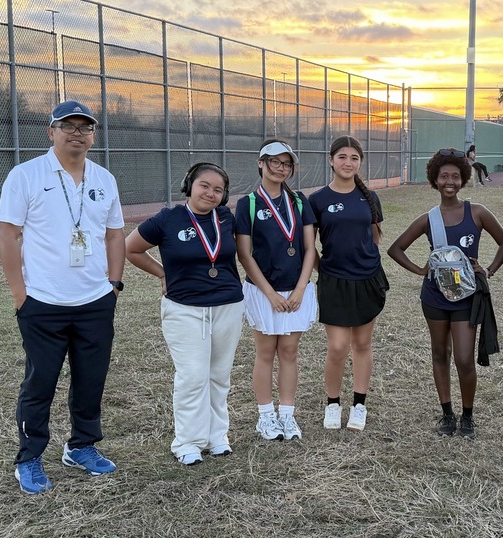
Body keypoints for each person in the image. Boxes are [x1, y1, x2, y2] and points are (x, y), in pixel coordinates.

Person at [0, 100, 123, 494]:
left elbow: (115, 233)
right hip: (43, 303)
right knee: (40, 383)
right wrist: (21, 294)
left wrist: (113, 285)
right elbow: (7, 234)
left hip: (94, 302)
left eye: (85, 127)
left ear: (93, 135)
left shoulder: (104, 178)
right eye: (67, 125)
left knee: (91, 381)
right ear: (50, 132)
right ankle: (30, 457)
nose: (77, 133)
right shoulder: (26, 175)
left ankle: (81, 446)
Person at [124, 163, 244, 466]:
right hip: (185, 308)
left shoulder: (226, 218)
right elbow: (131, 249)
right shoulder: (168, 219)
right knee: (192, 376)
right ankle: (188, 441)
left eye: (218, 190)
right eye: (204, 185)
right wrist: (162, 273)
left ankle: (218, 436)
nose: (211, 193)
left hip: (228, 305)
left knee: (219, 376)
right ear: (189, 186)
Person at [388, 147, 503, 438]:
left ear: (463, 179)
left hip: (466, 297)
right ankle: (447, 414)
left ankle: (467, 416)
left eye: (455, 176)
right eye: (444, 176)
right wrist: (420, 270)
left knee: (464, 359)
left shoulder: (477, 212)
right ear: (435, 180)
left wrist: (488, 270)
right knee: (440, 352)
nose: (450, 181)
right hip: (434, 296)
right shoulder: (429, 218)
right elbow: (395, 249)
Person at [235, 139, 317, 442]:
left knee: (290, 352)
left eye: (286, 164)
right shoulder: (248, 204)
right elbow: (245, 254)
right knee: (266, 352)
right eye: (274, 162)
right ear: (260, 163)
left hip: (296, 291)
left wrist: (299, 289)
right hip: (262, 291)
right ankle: (266, 417)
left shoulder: (299, 201)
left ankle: (287, 415)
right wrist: (270, 293)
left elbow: (310, 248)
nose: (281, 168)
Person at [309, 136, 388, 431]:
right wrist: (325, 270)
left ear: (360, 163)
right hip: (334, 282)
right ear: (331, 160)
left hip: (367, 279)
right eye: (342, 156)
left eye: (354, 158)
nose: (348, 162)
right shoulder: (318, 200)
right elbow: (310, 246)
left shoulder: (369, 197)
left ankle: (359, 405)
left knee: (363, 344)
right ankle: (332, 403)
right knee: (338, 346)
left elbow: (374, 237)